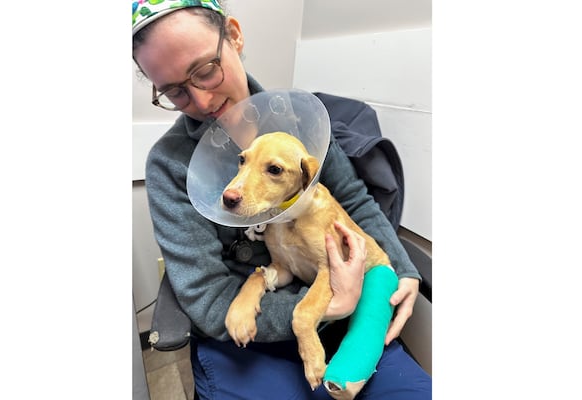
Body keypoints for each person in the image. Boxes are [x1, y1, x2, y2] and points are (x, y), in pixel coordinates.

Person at [132, 1, 432, 398]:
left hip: (344, 305)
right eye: (174, 92)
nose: (201, 102)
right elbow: (206, 297)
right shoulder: (169, 164)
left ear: (234, 36)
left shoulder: (300, 121)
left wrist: (402, 269)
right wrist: (317, 310)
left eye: (205, 71)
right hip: (247, 332)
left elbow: (354, 202)